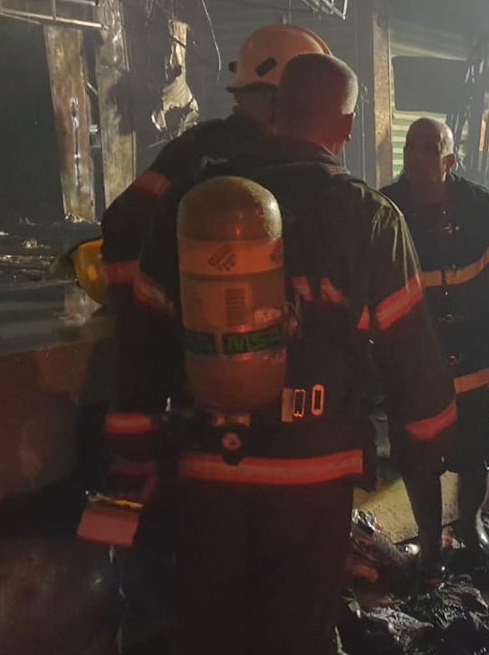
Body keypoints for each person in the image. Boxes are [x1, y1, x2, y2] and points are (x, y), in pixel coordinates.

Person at [105, 55, 457, 655]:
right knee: (299, 652)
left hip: (210, 465)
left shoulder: (195, 202)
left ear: (274, 111)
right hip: (312, 478)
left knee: (202, 636)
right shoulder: (369, 217)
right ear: (345, 127)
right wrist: (429, 444)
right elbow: (413, 360)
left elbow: (143, 334)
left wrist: (136, 450)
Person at [101, 24, 331, 456]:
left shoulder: (192, 148)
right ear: (279, 99)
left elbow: (121, 228)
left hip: (199, 369)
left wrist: (157, 318)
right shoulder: (280, 165)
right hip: (256, 375)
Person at [380, 117, 489, 576]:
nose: (418, 157)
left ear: (449, 160)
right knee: (418, 457)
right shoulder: (387, 207)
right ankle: (430, 547)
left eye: (430, 148)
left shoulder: (480, 204)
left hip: (474, 358)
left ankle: (471, 528)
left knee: (476, 452)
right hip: (415, 360)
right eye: (411, 147)